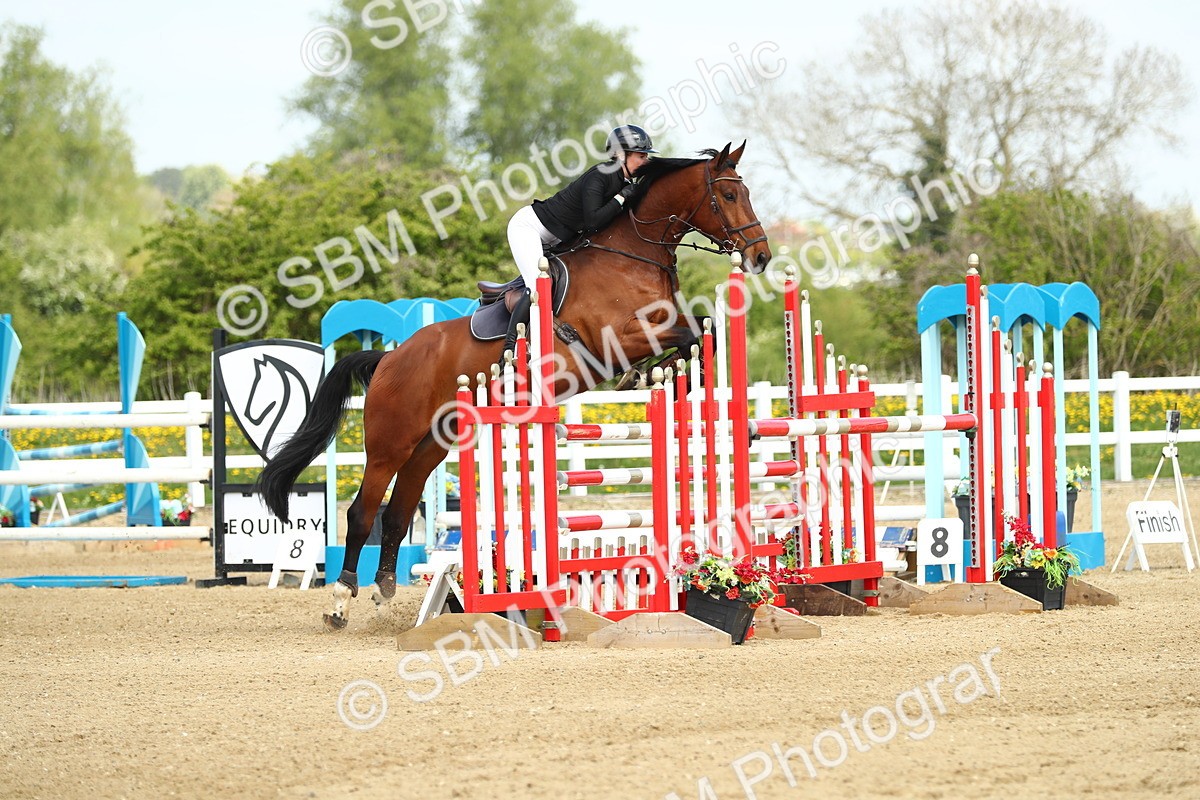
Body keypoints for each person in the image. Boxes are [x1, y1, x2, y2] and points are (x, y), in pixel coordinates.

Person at [500, 124, 658, 361]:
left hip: (556, 237)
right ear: (621, 154)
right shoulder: (601, 175)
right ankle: (510, 349)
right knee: (539, 287)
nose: (645, 161)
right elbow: (593, 220)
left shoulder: (623, 182)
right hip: (529, 228)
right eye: (641, 155)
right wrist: (621, 198)